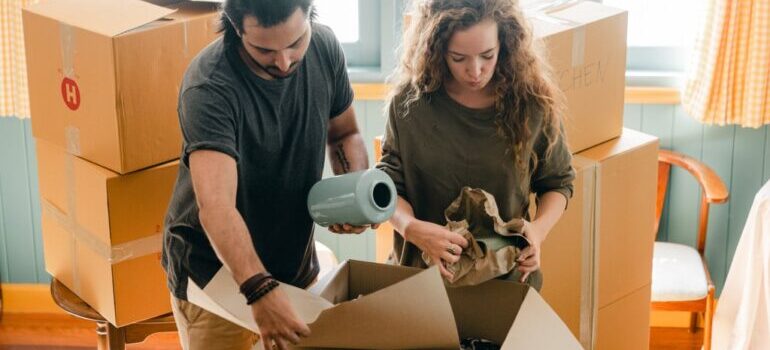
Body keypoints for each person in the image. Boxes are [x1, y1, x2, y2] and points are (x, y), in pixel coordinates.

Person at [161, 1, 376, 349]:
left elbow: (344, 134)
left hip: (292, 262)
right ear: (234, 27)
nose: (284, 61)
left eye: (295, 42)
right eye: (264, 49)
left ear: (310, 16)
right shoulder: (209, 87)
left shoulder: (324, 47)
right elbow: (216, 207)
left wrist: (355, 197)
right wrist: (259, 289)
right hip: (216, 275)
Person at [376, 0, 576, 289]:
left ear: (505, 44)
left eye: (487, 56)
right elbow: (387, 187)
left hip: (507, 283)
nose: (475, 71)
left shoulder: (531, 106)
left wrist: (537, 232)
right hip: (423, 282)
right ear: (438, 49)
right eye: (459, 58)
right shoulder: (409, 104)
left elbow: (558, 182)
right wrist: (411, 228)